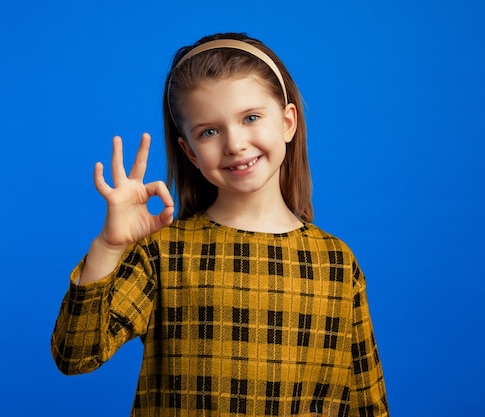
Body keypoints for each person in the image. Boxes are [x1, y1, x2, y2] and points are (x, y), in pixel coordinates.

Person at [51, 32, 389, 417]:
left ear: (288, 122)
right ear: (189, 152)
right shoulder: (164, 252)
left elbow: (367, 402)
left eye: (251, 118)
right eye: (209, 131)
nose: (235, 144)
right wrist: (109, 247)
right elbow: (74, 354)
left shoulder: (336, 263)